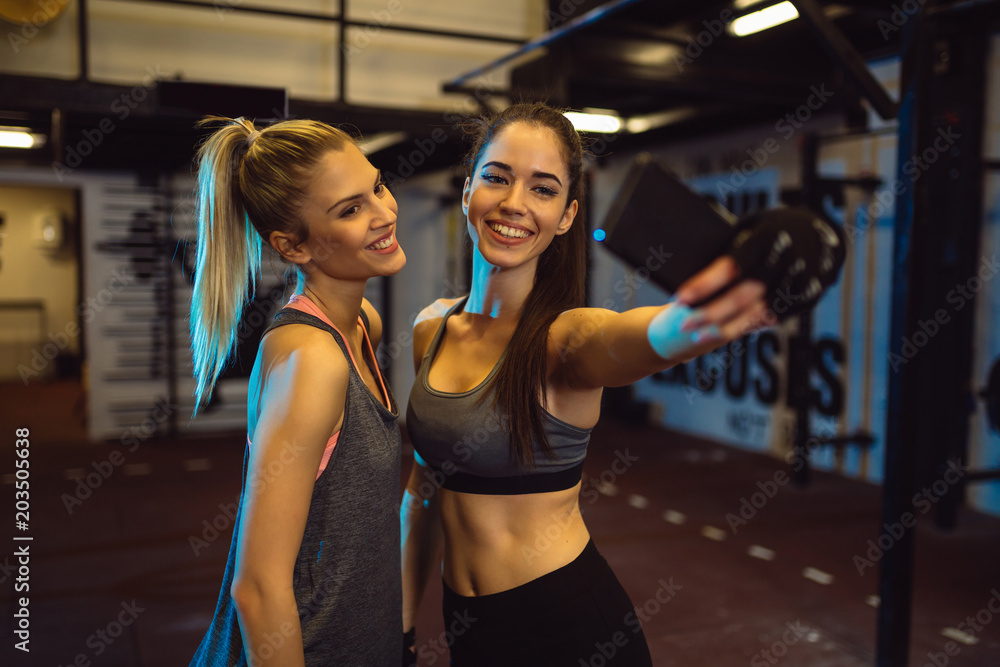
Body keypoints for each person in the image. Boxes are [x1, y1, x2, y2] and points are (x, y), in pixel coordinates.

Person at [400, 102, 845, 666]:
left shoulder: (566, 340)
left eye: (543, 189)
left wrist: (749, 281)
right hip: (468, 628)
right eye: (497, 177)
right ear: (468, 192)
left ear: (566, 216)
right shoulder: (431, 329)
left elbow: (660, 334)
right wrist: (403, 625)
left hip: (566, 627)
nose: (514, 203)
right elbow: (424, 490)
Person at [187, 117, 406, 666]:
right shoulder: (313, 361)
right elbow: (257, 589)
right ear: (292, 246)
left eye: (377, 186)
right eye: (350, 210)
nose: (384, 213)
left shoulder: (362, 325)